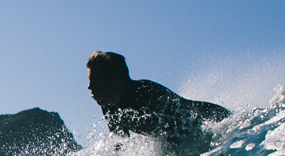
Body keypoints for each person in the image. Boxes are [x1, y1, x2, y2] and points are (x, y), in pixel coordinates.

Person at [87, 51, 229, 142]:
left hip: (209, 119)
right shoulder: (108, 106)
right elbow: (119, 144)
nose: (89, 87)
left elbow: (180, 127)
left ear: (114, 79)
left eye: (95, 82)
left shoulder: (144, 93)